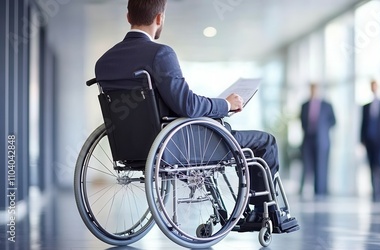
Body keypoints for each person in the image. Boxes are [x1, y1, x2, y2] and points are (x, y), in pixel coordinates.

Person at [94, 0, 288, 225]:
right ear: (159, 18)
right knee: (265, 142)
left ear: (128, 17)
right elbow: (189, 106)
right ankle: (264, 213)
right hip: (178, 145)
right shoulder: (160, 54)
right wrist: (225, 104)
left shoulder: (104, 63)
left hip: (130, 146)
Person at [299, 83, 336, 196]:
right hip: (308, 139)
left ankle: (320, 191)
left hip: (322, 140)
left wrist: (323, 128)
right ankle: (303, 189)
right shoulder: (304, 105)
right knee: (307, 165)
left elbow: (333, 121)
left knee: (321, 165)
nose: (313, 91)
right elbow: (302, 121)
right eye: (312, 89)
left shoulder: (327, 105)